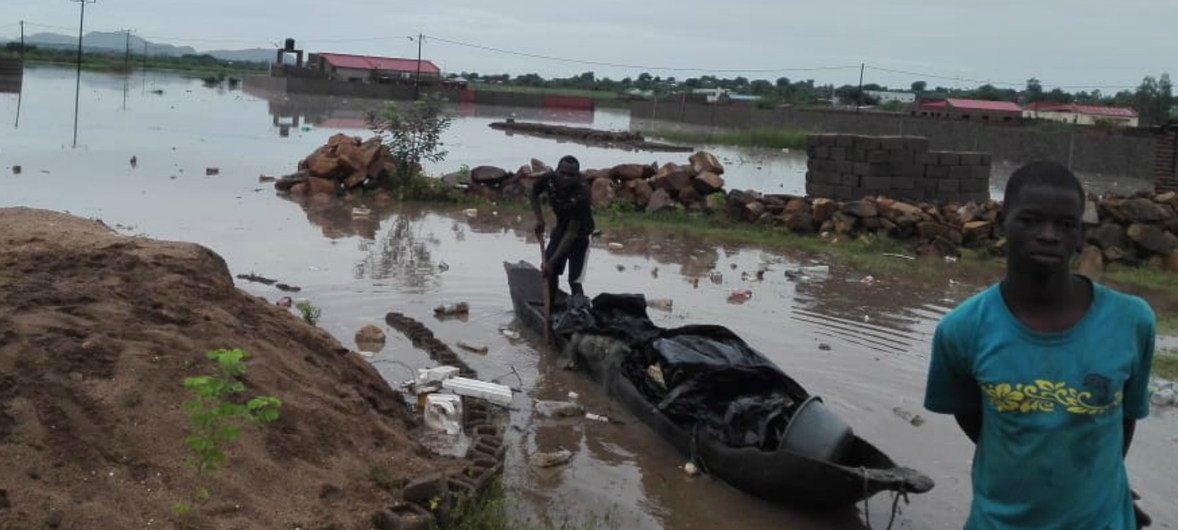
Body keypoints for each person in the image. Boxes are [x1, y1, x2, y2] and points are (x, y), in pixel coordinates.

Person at [924, 161, 1154, 529]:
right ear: (1002, 223)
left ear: (1080, 234)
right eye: (1030, 220)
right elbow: (975, 418)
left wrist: (1108, 487)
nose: (1048, 235)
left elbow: (1122, 419)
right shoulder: (962, 330)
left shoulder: (1131, 322)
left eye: (1066, 225)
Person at [530, 155, 595, 306]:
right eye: (563, 173)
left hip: (580, 235)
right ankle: (550, 307)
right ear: (557, 171)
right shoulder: (548, 180)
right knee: (550, 274)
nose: (566, 178)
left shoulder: (581, 194)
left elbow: (572, 233)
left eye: (571, 175)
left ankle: (579, 313)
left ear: (577, 176)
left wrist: (551, 262)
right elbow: (533, 193)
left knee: (574, 280)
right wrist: (539, 218)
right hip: (561, 227)